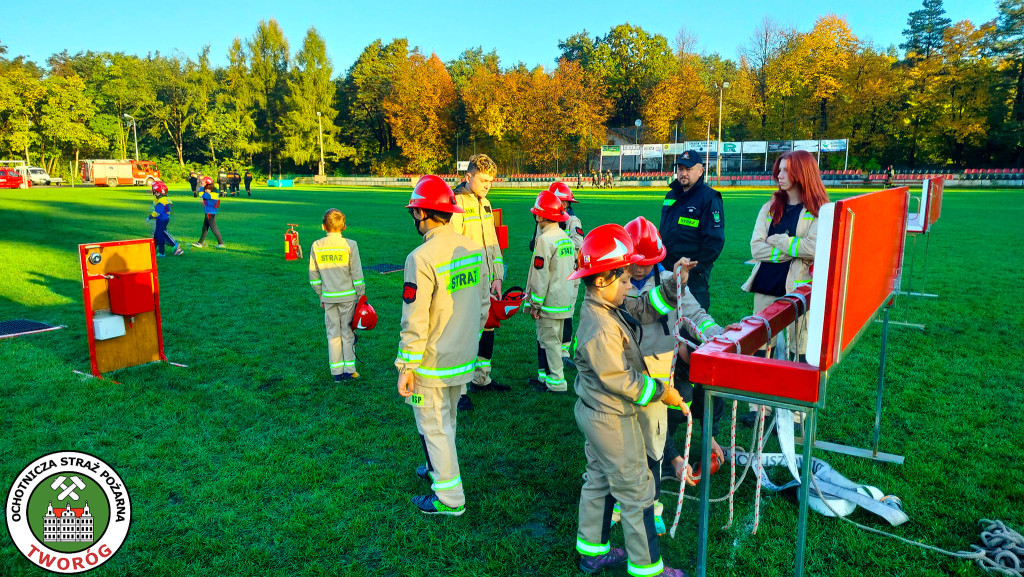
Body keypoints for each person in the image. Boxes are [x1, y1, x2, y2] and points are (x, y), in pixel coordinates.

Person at [570, 223, 689, 577]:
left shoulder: (607, 306)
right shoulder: (601, 326)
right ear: (603, 280)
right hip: (611, 418)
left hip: (598, 414)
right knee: (638, 492)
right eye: (623, 280)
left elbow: (643, 307)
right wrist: (659, 390)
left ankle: (592, 551)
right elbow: (619, 378)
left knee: (599, 479)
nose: (629, 286)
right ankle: (648, 568)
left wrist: (672, 284)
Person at [395, 175, 489, 516]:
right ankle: (438, 471)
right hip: (462, 355)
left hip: (432, 362)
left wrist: (406, 366)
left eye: (414, 212)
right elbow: (482, 303)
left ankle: (449, 498)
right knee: (446, 421)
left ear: (423, 214)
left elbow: (415, 321)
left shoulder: (420, 257)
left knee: (433, 426)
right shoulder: (471, 248)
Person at [739, 149, 829, 427]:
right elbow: (756, 248)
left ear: (802, 173)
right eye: (778, 170)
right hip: (766, 286)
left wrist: (779, 242)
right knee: (760, 348)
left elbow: (816, 247)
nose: (778, 175)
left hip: (799, 292)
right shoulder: (769, 207)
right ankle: (759, 409)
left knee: (796, 352)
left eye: (785, 170)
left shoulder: (821, 210)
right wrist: (790, 248)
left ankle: (796, 412)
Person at [450, 154, 506, 410]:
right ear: (468, 176)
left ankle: (481, 379)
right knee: (465, 332)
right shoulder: (457, 203)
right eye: (483, 180)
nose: (487, 185)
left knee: (488, 327)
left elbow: (492, 242)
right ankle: (459, 390)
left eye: (491, 181)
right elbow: (451, 245)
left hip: (486, 281)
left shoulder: (486, 202)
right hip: (467, 280)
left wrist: (497, 276)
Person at [658, 150, 725, 312]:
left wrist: (698, 268)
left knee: (692, 322)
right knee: (666, 320)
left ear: (700, 171)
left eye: (688, 169)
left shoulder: (709, 198)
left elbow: (715, 240)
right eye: (680, 169)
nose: (683, 173)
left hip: (693, 275)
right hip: (666, 271)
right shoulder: (671, 195)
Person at [524, 190, 575, 393]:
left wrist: (535, 304)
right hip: (563, 301)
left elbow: (540, 276)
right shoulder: (565, 238)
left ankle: (556, 382)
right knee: (551, 340)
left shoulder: (544, 241)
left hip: (548, 303)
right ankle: (545, 377)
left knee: (550, 343)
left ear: (541, 216)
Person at [309, 208, 366, 382]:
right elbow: (356, 272)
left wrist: (321, 295)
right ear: (344, 227)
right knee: (347, 333)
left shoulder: (317, 245)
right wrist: (361, 294)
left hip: (328, 298)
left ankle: (336, 374)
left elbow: (313, 275)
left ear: (322, 227)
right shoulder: (350, 245)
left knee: (333, 334)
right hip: (348, 297)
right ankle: (350, 370)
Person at [549, 182, 584, 367]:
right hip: (552, 273)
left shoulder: (572, 221)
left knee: (567, 313)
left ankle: (563, 352)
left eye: (562, 202)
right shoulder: (546, 219)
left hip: (570, 273)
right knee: (550, 314)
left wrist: (556, 243)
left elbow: (579, 241)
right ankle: (551, 349)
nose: (560, 205)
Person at [147, 181, 183, 257]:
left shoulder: (162, 200)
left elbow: (157, 211)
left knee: (161, 235)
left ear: (161, 193)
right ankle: (153, 249)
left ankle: (172, 247)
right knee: (157, 235)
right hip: (161, 219)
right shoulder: (162, 198)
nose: (154, 193)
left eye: (156, 192)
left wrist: (149, 217)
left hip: (162, 219)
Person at [191, 182, 225, 248]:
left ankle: (221, 243)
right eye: (205, 189)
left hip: (210, 214)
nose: (206, 190)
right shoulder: (213, 194)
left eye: (208, 189)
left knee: (213, 228)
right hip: (209, 213)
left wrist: (202, 186)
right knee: (205, 228)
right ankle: (200, 243)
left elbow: (201, 194)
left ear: (211, 189)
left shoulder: (211, 195)